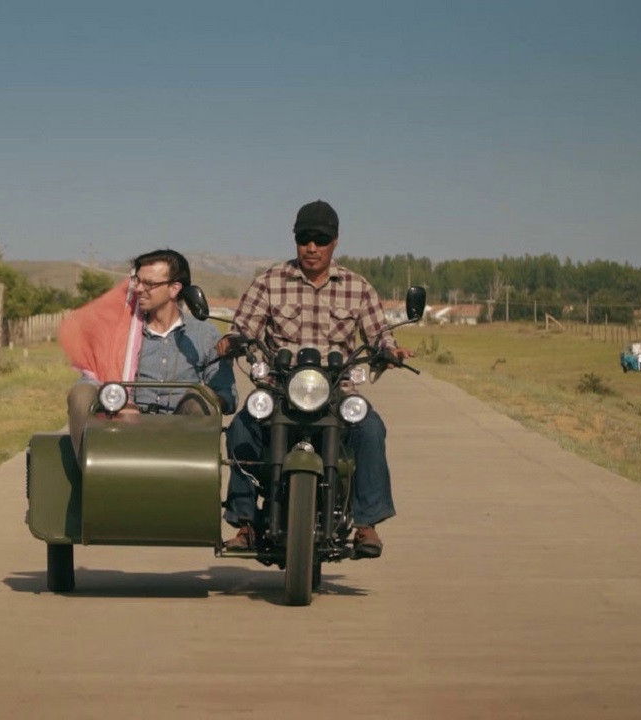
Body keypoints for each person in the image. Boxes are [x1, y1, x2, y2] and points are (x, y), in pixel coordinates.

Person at [215, 200, 413, 558]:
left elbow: (379, 334)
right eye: (304, 238)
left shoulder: (357, 287)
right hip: (280, 389)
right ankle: (246, 522)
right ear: (295, 239)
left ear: (335, 241)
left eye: (320, 240)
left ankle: (366, 524)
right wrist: (233, 341)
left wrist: (390, 351)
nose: (311, 247)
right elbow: (243, 326)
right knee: (243, 425)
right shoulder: (269, 282)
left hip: (336, 392)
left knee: (371, 428)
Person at [62, 249, 235, 454]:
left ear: (174, 289)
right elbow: (89, 380)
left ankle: (190, 469)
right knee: (80, 394)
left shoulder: (205, 334)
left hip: (183, 429)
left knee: (202, 397)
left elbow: (226, 394)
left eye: (149, 284)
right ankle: (91, 469)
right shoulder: (120, 330)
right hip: (123, 420)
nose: (138, 289)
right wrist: (118, 400)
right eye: (137, 281)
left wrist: (207, 399)